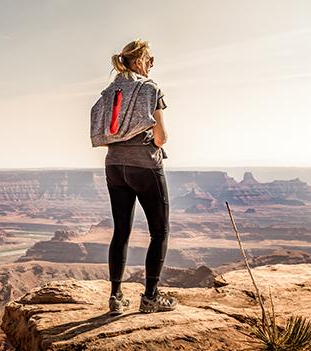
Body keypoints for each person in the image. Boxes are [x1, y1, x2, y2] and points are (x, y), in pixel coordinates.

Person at [102, 39, 178, 315]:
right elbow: (161, 136)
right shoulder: (150, 88)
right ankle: (150, 297)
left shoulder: (111, 91)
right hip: (144, 166)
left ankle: (115, 297)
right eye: (149, 59)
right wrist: (153, 147)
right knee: (160, 231)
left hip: (114, 166)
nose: (152, 64)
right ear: (137, 62)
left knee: (121, 230)